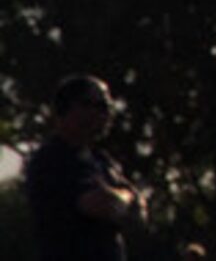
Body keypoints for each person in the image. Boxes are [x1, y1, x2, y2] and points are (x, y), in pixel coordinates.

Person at [25, 75, 144, 260]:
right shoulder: (52, 159)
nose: (107, 114)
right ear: (70, 108)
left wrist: (122, 199)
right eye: (100, 106)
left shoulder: (102, 160)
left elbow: (140, 210)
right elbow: (98, 204)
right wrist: (124, 200)